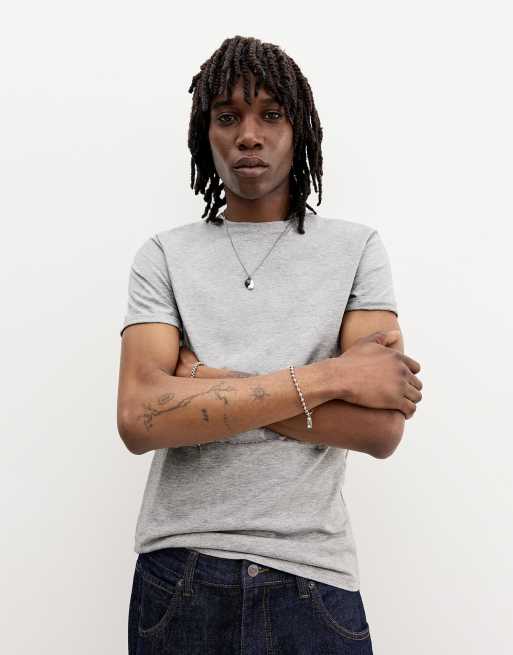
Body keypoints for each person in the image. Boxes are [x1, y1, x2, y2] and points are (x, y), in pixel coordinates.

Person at [118, 34, 423, 654]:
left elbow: (379, 430)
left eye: (271, 115)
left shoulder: (356, 250)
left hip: (314, 580)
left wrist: (202, 383)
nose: (249, 135)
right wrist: (334, 378)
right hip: (181, 577)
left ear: (299, 128)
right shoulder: (164, 256)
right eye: (228, 117)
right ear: (205, 133)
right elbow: (140, 417)